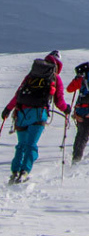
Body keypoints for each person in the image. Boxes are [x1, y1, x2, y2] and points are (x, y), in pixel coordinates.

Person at [1, 51, 70, 184]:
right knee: (31, 144)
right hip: (38, 114)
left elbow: (18, 94)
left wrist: (8, 109)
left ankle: (15, 171)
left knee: (21, 144)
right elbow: (59, 101)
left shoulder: (31, 75)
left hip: (21, 114)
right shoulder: (55, 78)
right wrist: (66, 109)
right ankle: (25, 172)